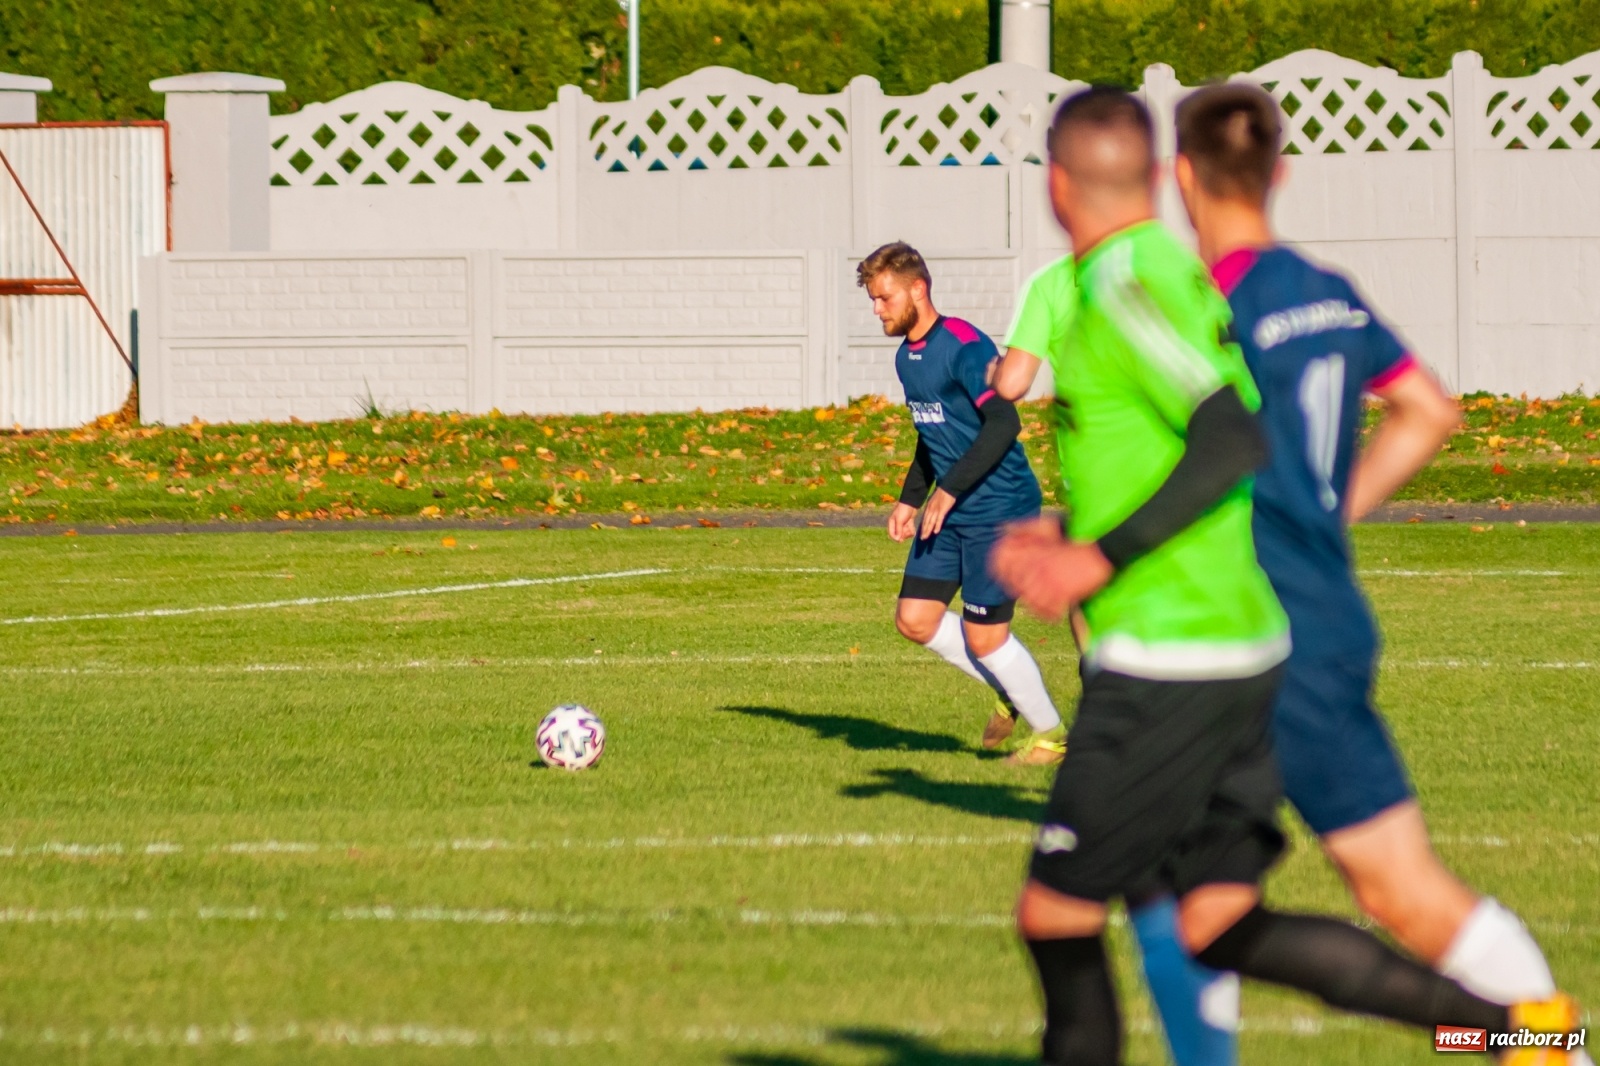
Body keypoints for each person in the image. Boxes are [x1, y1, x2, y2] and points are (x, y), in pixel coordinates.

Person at [987, 85, 1579, 1065]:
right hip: (1291, 623)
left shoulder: (1163, 288)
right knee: (1216, 913)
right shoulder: (1295, 285)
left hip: (1205, 642)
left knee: (1089, 910)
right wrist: (1317, 511)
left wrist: (1093, 547)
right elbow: (1418, 410)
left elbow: (1223, 437)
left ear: (1171, 176)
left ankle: (1532, 1040)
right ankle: (1524, 1036)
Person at [856, 241, 1066, 765]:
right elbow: (931, 435)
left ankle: (1053, 737)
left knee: (987, 636)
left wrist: (946, 491)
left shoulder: (965, 345)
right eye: (873, 300)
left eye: (883, 298)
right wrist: (910, 499)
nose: (876, 310)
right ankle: (1009, 689)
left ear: (917, 290)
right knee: (916, 619)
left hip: (999, 507)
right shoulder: (908, 357)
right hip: (949, 508)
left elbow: (1004, 422)